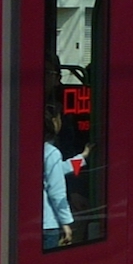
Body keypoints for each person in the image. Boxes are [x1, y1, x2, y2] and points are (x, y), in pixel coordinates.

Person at [43, 104, 89, 250]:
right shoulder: (52, 152)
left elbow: (55, 170)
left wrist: (81, 158)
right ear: (54, 122)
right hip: (48, 223)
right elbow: (57, 192)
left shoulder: (31, 149)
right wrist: (66, 222)